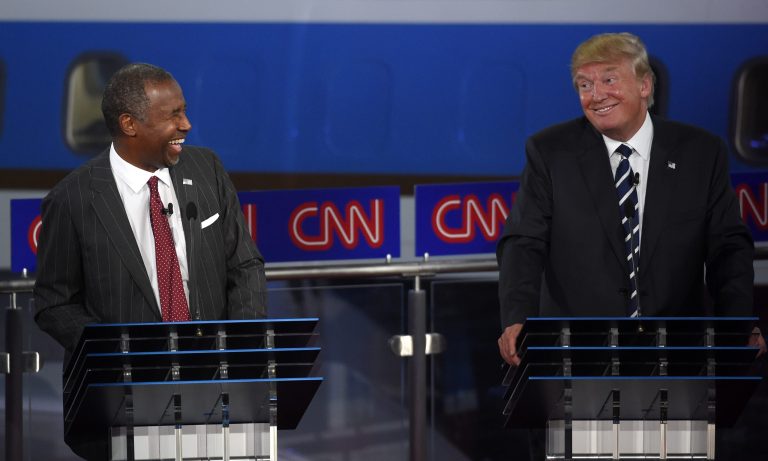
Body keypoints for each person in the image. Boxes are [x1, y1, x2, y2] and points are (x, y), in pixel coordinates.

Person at [497, 32, 763, 366]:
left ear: (645, 85)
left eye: (609, 79)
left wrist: (738, 324)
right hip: (577, 355)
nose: (596, 95)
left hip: (678, 354)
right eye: (584, 85)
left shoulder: (701, 152)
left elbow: (728, 246)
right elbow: (523, 241)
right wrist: (517, 318)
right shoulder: (550, 152)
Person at [34, 63, 267, 357]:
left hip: (213, 370)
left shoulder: (207, 168)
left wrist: (241, 346)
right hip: (123, 384)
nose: (186, 125)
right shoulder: (73, 199)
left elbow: (245, 265)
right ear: (129, 124)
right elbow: (54, 303)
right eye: (173, 115)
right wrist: (113, 351)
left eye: (183, 111)